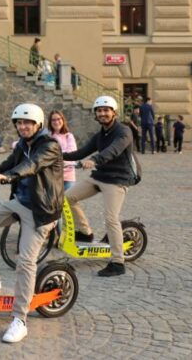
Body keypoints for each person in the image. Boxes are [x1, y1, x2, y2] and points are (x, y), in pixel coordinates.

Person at [0, 103, 64, 343]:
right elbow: (4, 165)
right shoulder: (22, 145)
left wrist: (9, 177)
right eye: (19, 123)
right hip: (20, 202)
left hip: (41, 211)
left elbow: (31, 166)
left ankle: (20, 320)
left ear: (38, 124)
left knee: (25, 261)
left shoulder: (49, 145)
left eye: (27, 123)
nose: (23, 126)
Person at [62, 95, 141, 277]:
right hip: (99, 177)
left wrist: (95, 159)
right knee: (67, 197)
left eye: (106, 110)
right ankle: (85, 232)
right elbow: (81, 152)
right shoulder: (99, 135)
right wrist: (57, 155)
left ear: (114, 112)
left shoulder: (124, 131)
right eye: (99, 110)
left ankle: (118, 262)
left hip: (118, 179)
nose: (103, 113)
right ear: (96, 114)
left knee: (110, 218)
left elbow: (113, 150)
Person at [49, 110, 78, 191]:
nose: (56, 122)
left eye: (58, 119)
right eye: (53, 120)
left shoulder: (69, 136)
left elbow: (72, 154)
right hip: (52, 177)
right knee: (52, 203)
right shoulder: (47, 137)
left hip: (68, 177)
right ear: (50, 122)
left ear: (63, 120)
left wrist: (54, 156)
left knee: (68, 202)